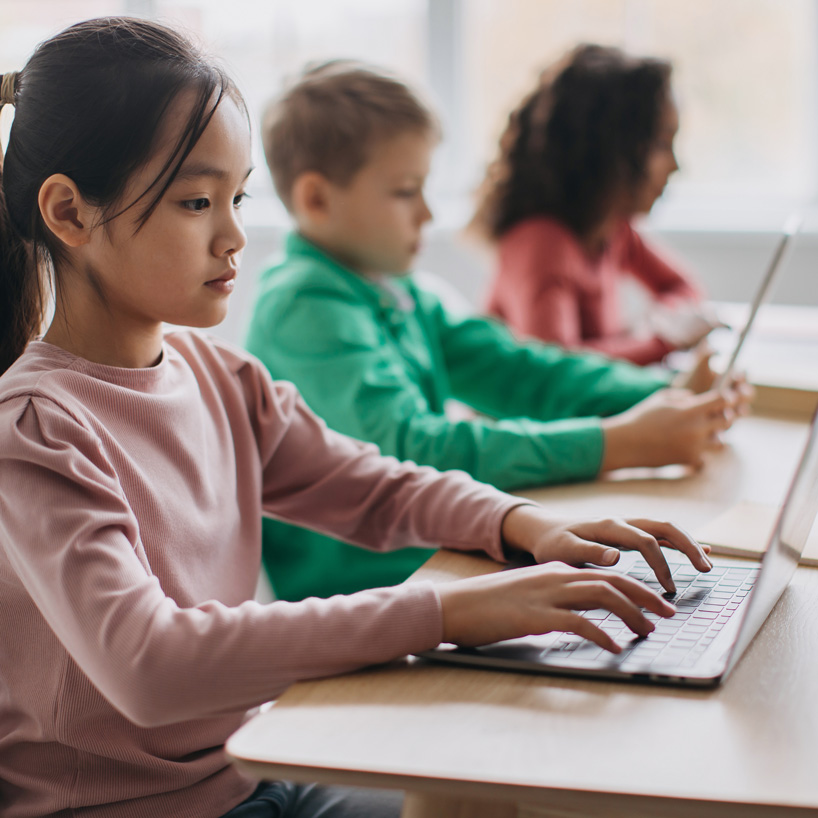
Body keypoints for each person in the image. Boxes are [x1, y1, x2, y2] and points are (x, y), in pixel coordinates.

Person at [0, 17, 717, 818]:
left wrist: (523, 524)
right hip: (147, 807)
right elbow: (149, 667)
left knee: (497, 780)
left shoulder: (220, 377)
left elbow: (373, 486)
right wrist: (446, 613)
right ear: (69, 213)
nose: (234, 236)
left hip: (259, 767)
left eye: (237, 198)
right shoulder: (35, 430)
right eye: (197, 202)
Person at [244, 61, 746, 603]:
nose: (429, 213)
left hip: (438, 555)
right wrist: (615, 444)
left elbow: (521, 369)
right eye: (406, 191)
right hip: (368, 590)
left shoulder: (397, 289)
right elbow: (417, 453)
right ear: (317, 200)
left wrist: (662, 393)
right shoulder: (302, 307)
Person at [470, 43, 723, 366]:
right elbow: (559, 370)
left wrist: (662, 330)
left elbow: (682, 287)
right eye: (661, 144)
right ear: (610, 150)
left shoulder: (612, 229)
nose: (675, 166)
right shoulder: (542, 243)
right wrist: (661, 341)